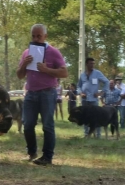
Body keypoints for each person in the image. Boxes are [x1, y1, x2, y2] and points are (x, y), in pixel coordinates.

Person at [16, 24, 68, 166]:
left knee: (47, 126)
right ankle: (32, 152)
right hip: (31, 94)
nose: (36, 38)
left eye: (39, 36)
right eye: (33, 36)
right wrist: (23, 65)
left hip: (47, 93)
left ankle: (47, 157)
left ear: (45, 36)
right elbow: (20, 75)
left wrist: (47, 69)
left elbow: (64, 73)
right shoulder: (27, 53)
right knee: (27, 124)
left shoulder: (54, 52)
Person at [77, 57, 109, 138]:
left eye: (93, 63)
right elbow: (78, 86)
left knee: (96, 117)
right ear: (86, 64)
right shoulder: (82, 75)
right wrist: (81, 93)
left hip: (94, 100)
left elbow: (106, 82)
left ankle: (98, 135)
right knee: (85, 116)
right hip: (85, 100)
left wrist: (101, 93)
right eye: (90, 63)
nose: (92, 65)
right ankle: (86, 134)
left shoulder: (97, 73)